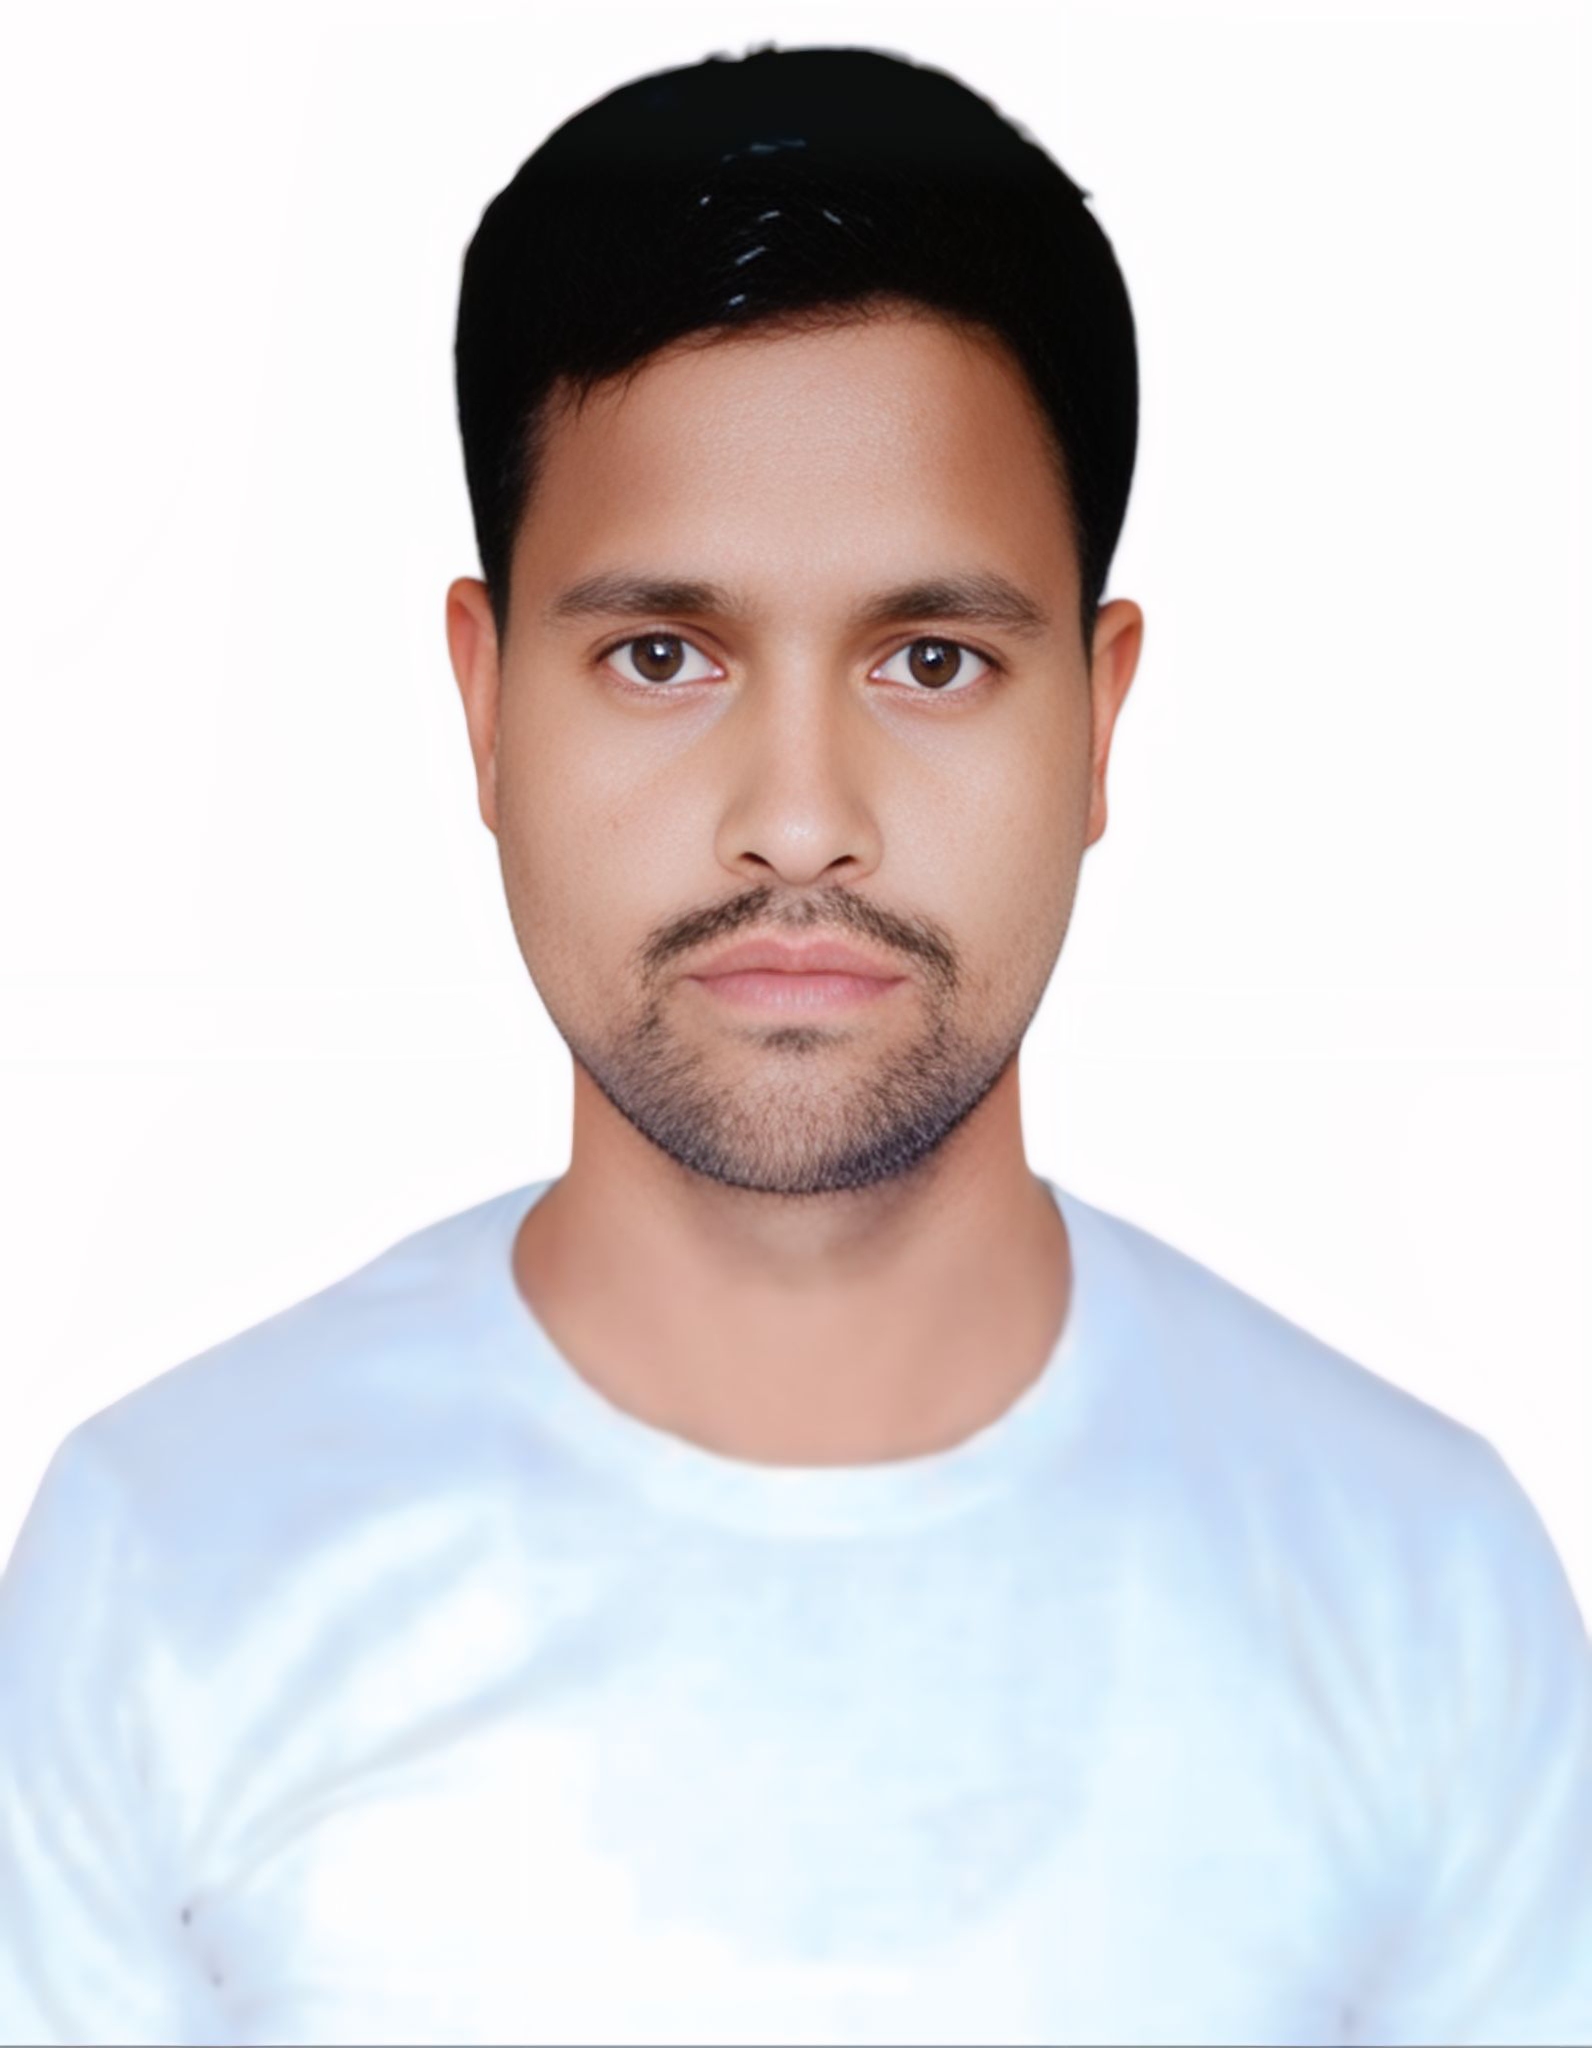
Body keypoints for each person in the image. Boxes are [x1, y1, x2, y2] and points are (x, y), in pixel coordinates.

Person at [1, 41, 1587, 2048]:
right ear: (484, 705)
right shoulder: (164, 1565)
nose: (800, 816)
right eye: (663, 655)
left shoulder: (1424, 1589)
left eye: (931, 658)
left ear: (1100, 718)